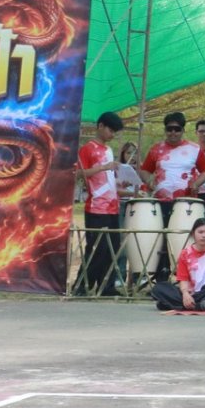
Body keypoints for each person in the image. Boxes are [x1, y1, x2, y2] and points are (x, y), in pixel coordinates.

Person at [76, 111, 125, 297]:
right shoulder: (88, 148)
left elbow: (106, 178)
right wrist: (103, 167)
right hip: (96, 207)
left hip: (113, 206)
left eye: (114, 132)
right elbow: (78, 173)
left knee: (112, 248)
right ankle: (82, 285)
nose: (112, 135)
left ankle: (107, 286)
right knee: (97, 248)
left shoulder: (108, 150)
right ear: (100, 126)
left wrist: (120, 183)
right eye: (110, 130)